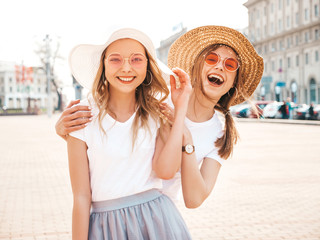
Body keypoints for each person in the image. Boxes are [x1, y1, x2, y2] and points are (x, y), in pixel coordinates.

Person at [56, 26, 263, 208]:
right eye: (211, 59)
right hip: (117, 203)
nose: (219, 66)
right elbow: (110, 131)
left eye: (230, 65)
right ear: (197, 67)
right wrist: (62, 129)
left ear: (234, 82)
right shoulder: (160, 100)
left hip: (159, 215)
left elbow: (194, 199)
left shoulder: (219, 135)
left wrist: (186, 138)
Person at [65, 28, 192, 239]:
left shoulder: (156, 113)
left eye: (136, 59)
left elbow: (166, 171)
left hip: (157, 221)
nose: (126, 68)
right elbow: (80, 196)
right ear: (103, 65)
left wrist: (180, 111)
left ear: (147, 67)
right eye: (115, 59)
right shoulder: (82, 115)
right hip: (106, 226)